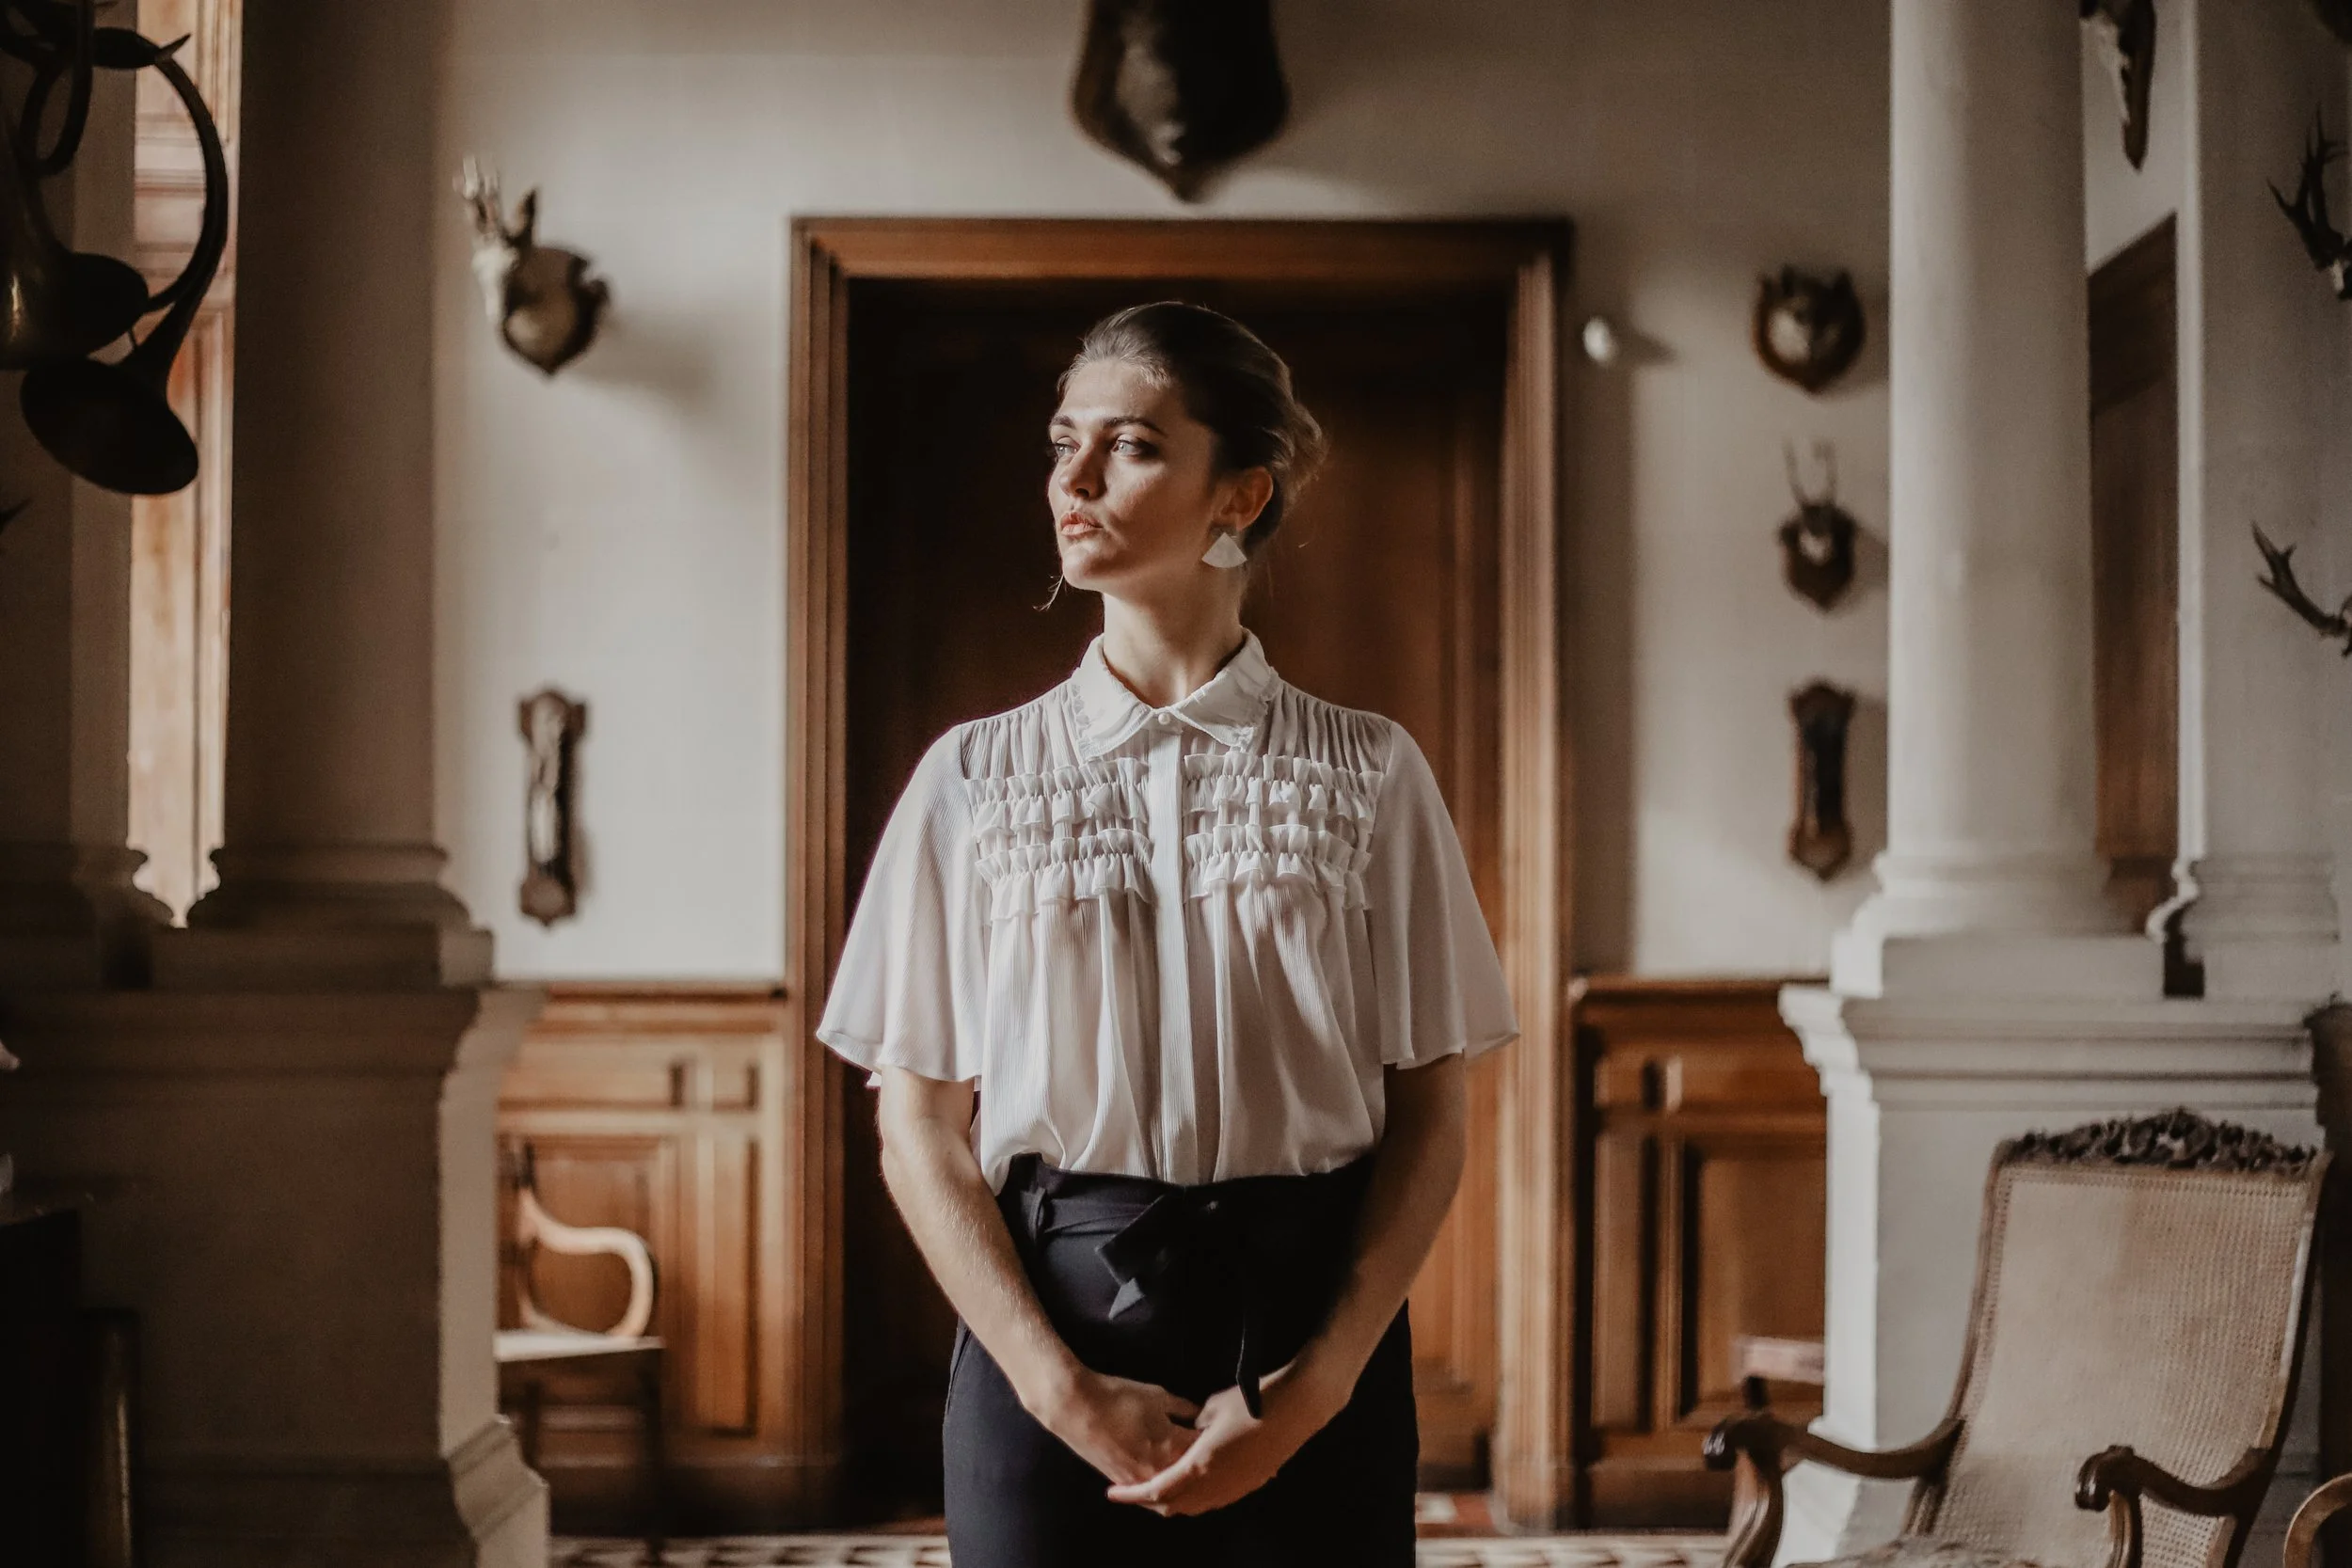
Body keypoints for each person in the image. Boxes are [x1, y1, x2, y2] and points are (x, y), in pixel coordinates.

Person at [815, 300, 1518, 1566]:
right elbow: (915, 1125)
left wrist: (1315, 1392)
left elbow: (1433, 1113)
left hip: (1314, 1357)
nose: (1072, 479)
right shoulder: (972, 779)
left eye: (1130, 445)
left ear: (1238, 495)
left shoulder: (1370, 772)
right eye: (1060, 443)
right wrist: (1057, 1389)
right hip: (1048, 1357)